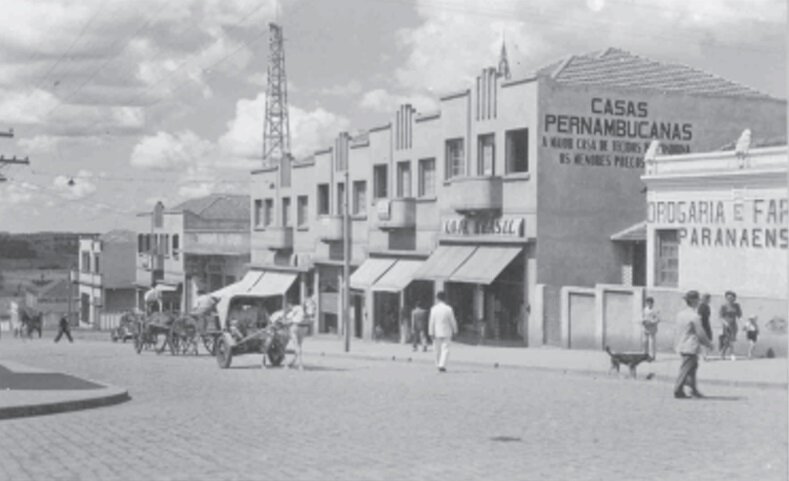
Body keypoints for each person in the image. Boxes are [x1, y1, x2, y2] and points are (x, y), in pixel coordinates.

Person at [673, 290, 712, 399]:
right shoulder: (694, 316)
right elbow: (700, 333)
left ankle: (693, 390)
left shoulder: (680, 314)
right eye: (697, 300)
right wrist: (709, 344)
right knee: (686, 369)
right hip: (690, 345)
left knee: (692, 368)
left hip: (681, 344)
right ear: (694, 301)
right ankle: (678, 390)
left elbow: (677, 330)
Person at [428, 291, 457, 373]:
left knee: (436, 349)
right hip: (446, 331)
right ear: (445, 298)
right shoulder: (448, 309)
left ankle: (437, 364)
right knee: (445, 349)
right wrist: (455, 330)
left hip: (436, 331)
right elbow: (452, 321)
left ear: (437, 298)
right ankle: (442, 365)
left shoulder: (433, 309)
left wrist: (431, 332)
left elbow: (431, 321)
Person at [719, 291, 742, 360]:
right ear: (726, 298)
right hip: (726, 325)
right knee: (729, 340)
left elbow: (739, 315)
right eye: (728, 297)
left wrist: (742, 322)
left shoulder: (736, 305)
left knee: (730, 340)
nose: (730, 299)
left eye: (731, 297)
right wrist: (725, 323)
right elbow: (720, 316)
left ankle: (722, 352)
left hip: (734, 325)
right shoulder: (723, 306)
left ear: (734, 298)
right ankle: (732, 354)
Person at [697, 294, 713, 360]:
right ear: (705, 299)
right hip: (702, 324)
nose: (709, 300)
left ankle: (704, 355)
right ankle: (704, 355)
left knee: (708, 339)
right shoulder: (701, 306)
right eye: (708, 299)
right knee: (704, 340)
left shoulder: (707, 306)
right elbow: (699, 316)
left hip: (706, 324)